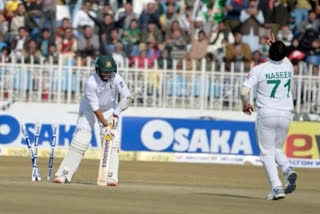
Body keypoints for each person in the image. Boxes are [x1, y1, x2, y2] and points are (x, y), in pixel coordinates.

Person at [54, 55, 132, 186]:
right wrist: (105, 124)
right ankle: (64, 174)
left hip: (109, 109)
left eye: (109, 71)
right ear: (97, 69)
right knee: (82, 138)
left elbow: (127, 97)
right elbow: (95, 107)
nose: (107, 74)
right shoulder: (91, 82)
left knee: (113, 138)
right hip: (89, 108)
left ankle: (111, 176)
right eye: (104, 71)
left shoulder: (116, 78)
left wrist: (116, 115)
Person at [240, 37, 298, 200]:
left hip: (267, 113)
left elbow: (244, 92)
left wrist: (246, 104)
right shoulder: (289, 67)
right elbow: (283, 57)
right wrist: (277, 48)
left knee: (266, 152)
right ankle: (287, 169)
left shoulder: (260, 69)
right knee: (277, 149)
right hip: (286, 114)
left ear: (269, 52)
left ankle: (277, 188)